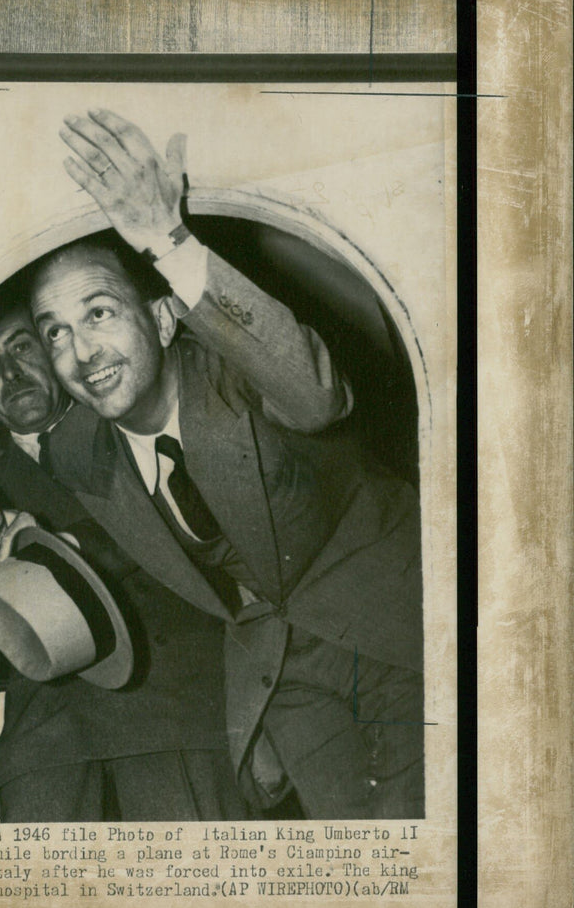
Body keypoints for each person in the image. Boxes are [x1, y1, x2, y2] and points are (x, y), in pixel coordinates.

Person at [33, 109, 425, 819]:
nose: (81, 354)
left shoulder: (235, 375)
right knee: (358, 871)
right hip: (284, 676)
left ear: (158, 320)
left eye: (98, 314)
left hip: (394, 624)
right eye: (55, 332)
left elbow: (318, 396)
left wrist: (166, 241)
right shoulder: (76, 453)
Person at [0, 293, 249, 821]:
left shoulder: (140, 425)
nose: (10, 372)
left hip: (175, 719)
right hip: (47, 747)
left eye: (22, 346)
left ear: (57, 351)